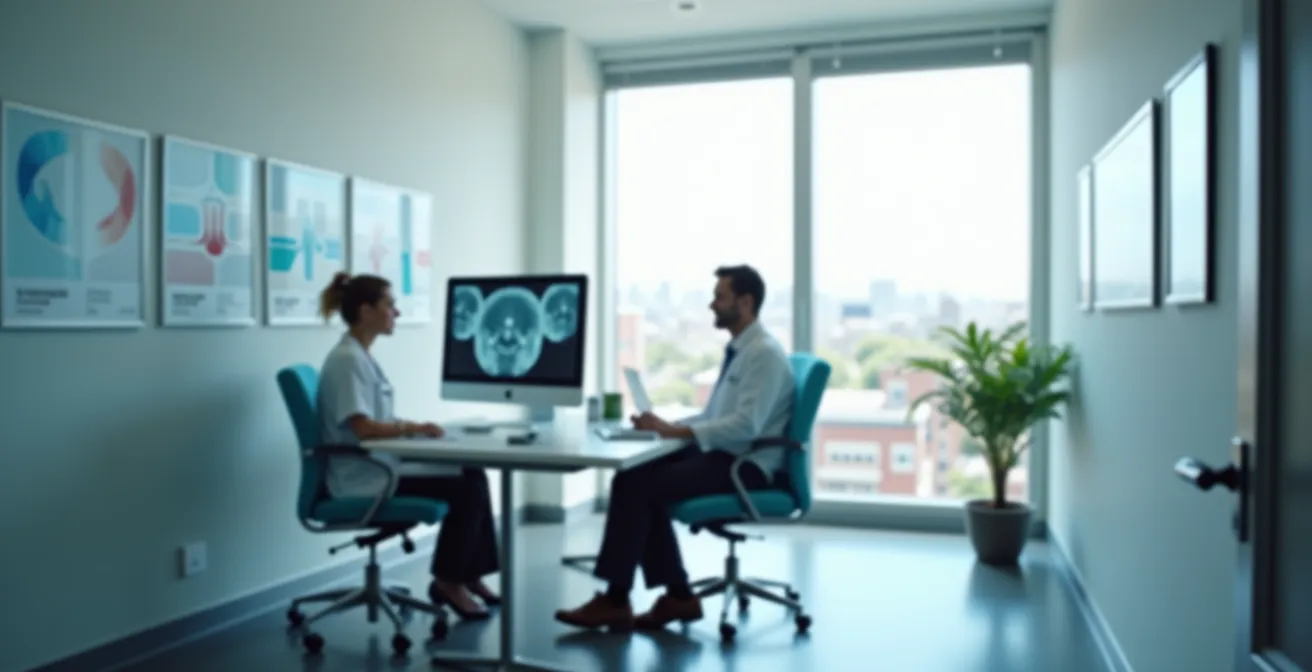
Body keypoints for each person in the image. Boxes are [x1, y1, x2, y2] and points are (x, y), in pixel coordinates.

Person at [554, 264, 795, 631]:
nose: (712, 305)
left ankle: (620, 600)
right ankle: (677, 597)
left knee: (639, 487)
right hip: (726, 453)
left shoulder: (762, 354)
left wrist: (676, 433)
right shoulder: (743, 349)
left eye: (720, 297)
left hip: (745, 465)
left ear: (745, 302)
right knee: (635, 474)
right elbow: (718, 415)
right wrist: (668, 429)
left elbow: (746, 427)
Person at [316, 271, 499, 620]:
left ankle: (469, 575)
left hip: (380, 465)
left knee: (473, 472)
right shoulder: (347, 361)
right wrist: (409, 428)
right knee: (467, 489)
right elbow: (364, 428)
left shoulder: (360, 356)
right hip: (366, 476)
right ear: (366, 311)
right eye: (390, 304)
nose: (396, 313)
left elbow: (373, 420)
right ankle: (448, 580)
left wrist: (415, 430)